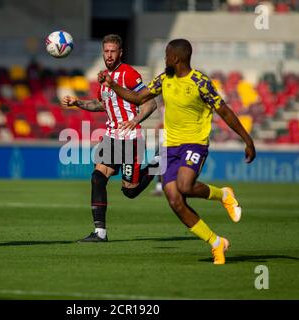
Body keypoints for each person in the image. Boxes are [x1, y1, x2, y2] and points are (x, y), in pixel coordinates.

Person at [98, 38, 256, 264]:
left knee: (184, 186)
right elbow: (138, 97)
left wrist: (247, 139)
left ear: (177, 58)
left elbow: (225, 111)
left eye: (167, 55)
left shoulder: (200, 82)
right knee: (175, 200)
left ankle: (224, 195)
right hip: (169, 146)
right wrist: (112, 85)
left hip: (194, 144)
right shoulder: (164, 79)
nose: (165, 59)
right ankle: (216, 242)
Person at [61, 34, 158, 242]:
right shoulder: (104, 77)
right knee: (97, 178)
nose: (109, 55)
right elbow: (101, 104)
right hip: (111, 137)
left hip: (131, 139)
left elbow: (151, 104)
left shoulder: (130, 75)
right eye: (106, 51)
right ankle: (100, 233)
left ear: (120, 52)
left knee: (129, 192)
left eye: (113, 51)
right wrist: (77, 102)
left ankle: (157, 164)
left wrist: (135, 120)